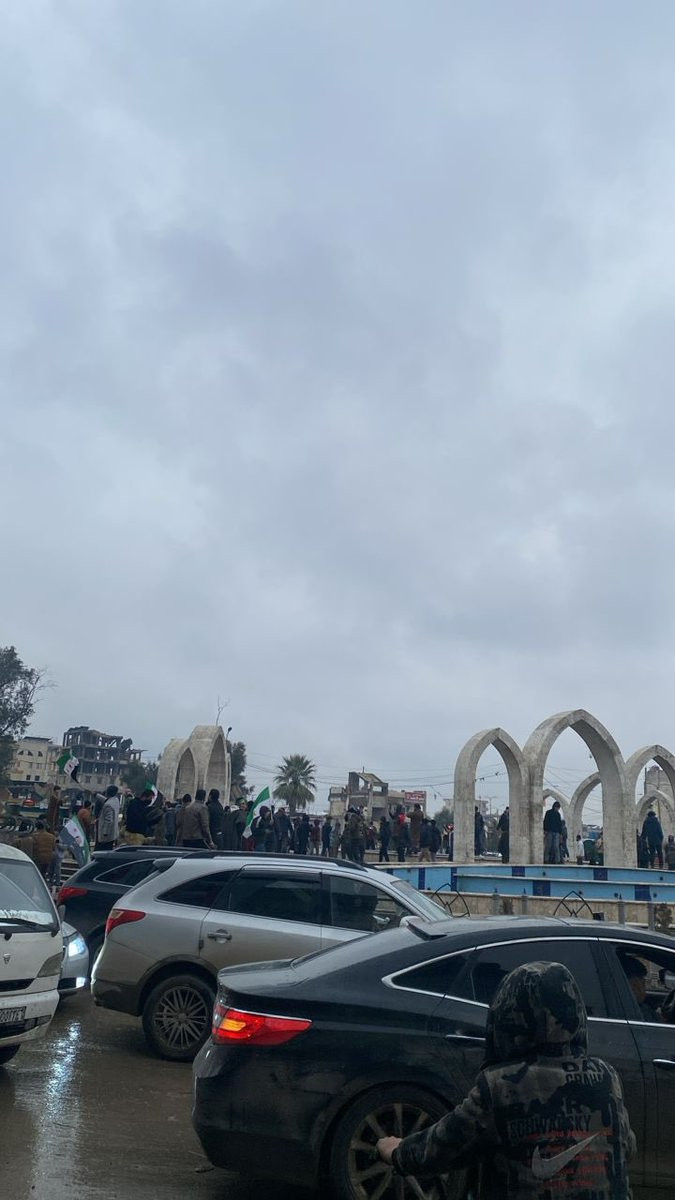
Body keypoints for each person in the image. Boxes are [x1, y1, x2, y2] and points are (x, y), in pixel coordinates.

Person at [377, 960, 636, 1199]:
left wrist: (398, 1152)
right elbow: (626, 1146)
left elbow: (443, 1146)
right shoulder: (606, 1077)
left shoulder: (502, 1086)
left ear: (507, 1017)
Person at [620, 954, 660, 1022]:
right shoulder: (636, 1013)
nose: (644, 989)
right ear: (632, 984)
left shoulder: (622, 1007)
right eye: (643, 982)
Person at [96, 785, 121, 850]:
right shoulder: (116, 801)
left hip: (106, 835)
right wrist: (96, 795)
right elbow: (106, 800)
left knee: (103, 851)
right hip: (113, 833)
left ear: (107, 792)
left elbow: (108, 820)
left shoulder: (108, 805)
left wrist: (105, 833)